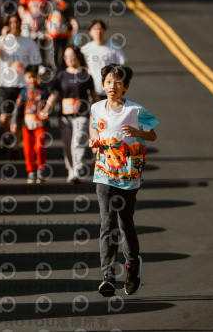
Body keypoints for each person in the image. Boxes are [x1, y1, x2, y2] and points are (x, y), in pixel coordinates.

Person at [88, 64, 158, 297]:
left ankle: (132, 268)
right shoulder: (97, 108)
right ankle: (108, 276)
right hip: (104, 173)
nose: (113, 86)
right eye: (108, 82)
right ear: (103, 84)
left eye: (118, 82)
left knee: (125, 224)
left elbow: (153, 134)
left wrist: (138, 133)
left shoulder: (135, 110)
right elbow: (93, 126)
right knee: (106, 224)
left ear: (125, 86)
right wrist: (94, 139)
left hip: (128, 175)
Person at [47, 46, 99, 184]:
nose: (69, 59)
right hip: (65, 116)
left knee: (78, 142)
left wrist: (102, 110)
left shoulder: (85, 75)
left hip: (82, 114)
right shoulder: (61, 75)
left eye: (71, 56)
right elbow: (55, 93)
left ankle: (78, 168)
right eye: (66, 57)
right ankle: (71, 169)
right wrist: (47, 108)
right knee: (67, 144)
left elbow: (93, 95)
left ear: (78, 56)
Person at [0, 15, 42, 155]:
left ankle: (15, 147)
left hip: (23, 85)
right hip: (5, 84)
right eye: (11, 22)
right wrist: (3, 37)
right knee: (4, 117)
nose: (14, 25)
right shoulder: (2, 40)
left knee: (20, 118)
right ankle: (9, 137)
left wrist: (33, 79)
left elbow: (36, 62)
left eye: (16, 22)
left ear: (20, 23)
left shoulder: (28, 42)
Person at [10, 65, 53, 184]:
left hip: (41, 125)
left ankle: (41, 169)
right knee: (28, 149)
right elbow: (18, 108)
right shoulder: (23, 92)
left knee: (39, 147)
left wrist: (47, 113)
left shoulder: (44, 91)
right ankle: (31, 171)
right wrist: (14, 122)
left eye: (34, 77)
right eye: (30, 77)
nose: (32, 80)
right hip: (27, 126)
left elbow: (50, 105)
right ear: (25, 77)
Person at [80, 20, 128, 99]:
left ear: (104, 31)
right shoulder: (85, 49)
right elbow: (81, 68)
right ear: (90, 32)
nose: (98, 31)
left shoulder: (114, 47)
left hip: (111, 89)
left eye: (100, 29)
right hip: (92, 90)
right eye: (95, 29)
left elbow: (122, 65)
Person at [46, 0, 79, 72]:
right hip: (54, 33)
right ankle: (55, 69)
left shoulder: (67, 3)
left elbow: (72, 17)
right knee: (54, 52)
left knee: (64, 51)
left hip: (65, 33)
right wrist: (47, 31)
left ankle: (64, 69)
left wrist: (74, 27)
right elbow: (46, 19)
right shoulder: (51, 4)